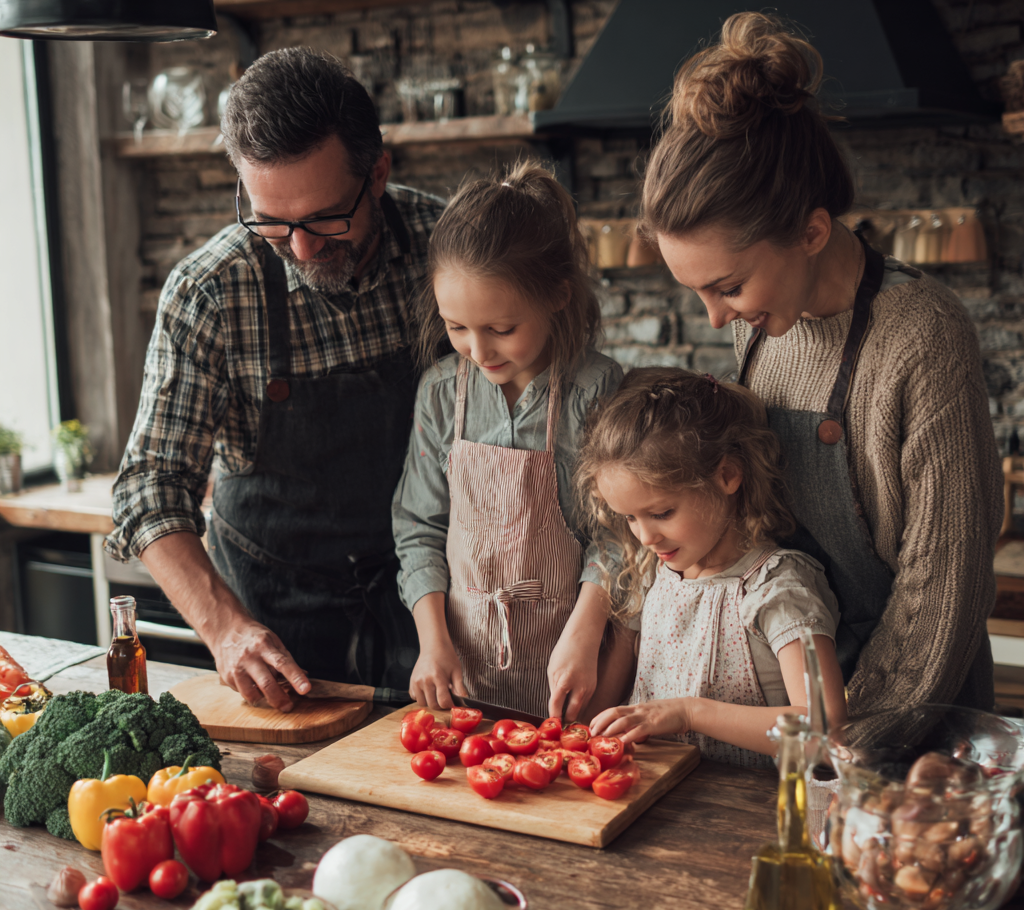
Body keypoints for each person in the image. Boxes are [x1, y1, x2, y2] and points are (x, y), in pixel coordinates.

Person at [639, 13, 1002, 716]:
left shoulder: (922, 336)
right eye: (697, 292)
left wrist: (841, 742)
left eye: (729, 286)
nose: (716, 319)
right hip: (795, 721)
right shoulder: (761, 332)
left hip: (908, 725)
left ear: (811, 230)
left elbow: (943, 595)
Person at [106, 48, 445, 711]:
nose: (301, 248)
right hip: (278, 641)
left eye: (324, 218)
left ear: (377, 174)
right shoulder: (211, 292)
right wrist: (225, 629)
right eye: (269, 221)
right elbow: (149, 489)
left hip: (437, 615)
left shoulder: (448, 243)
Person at [392, 162, 632, 721]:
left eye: (501, 329)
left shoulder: (595, 388)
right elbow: (418, 528)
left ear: (556, 296)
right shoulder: (439, 394)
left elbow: (617, 532)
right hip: (464, 673)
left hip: (577, 664)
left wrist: (586, 631)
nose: (478, 350)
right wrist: (433, 641)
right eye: (456, 327)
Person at [579, 368, 847, 768]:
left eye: (661, 512)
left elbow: (825, 730)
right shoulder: (656, 573)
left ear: (727, 475)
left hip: (743, 814)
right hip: (655, 802)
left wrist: (690, 713)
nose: (645, 537)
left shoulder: (780, 588)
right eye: (630, 519)